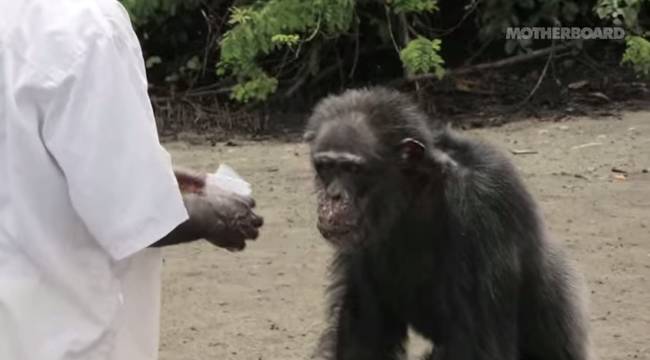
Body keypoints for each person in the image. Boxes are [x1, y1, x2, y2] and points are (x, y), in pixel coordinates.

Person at [0, 0, 263, 359]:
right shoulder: (86, 25)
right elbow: (133, 213)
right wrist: (209, 215)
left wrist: (153, 175)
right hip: (70, 337)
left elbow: (23, 164)